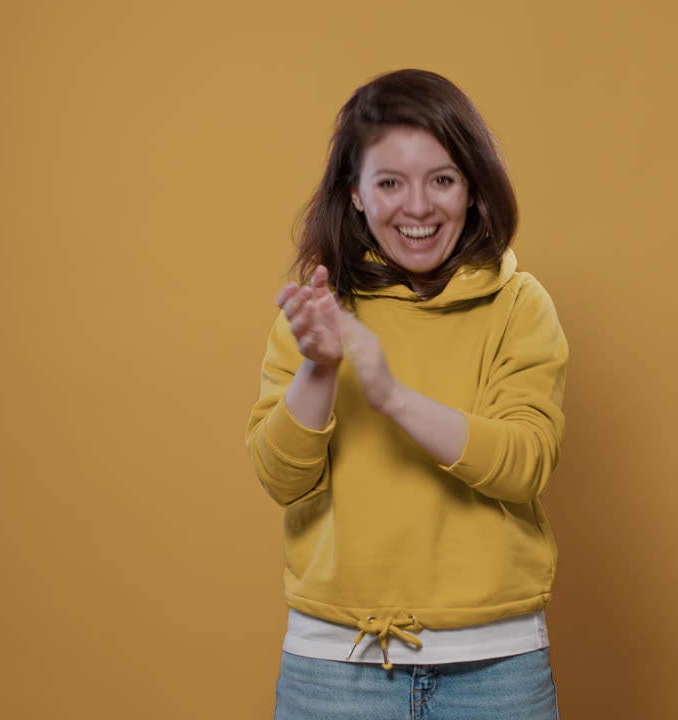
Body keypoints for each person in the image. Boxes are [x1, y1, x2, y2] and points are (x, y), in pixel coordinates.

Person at [246, 69, 567, 719]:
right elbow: (281, 479)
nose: (417, 207)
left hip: (495, 669)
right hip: (333, 672)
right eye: (390, 182)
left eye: (441, 179)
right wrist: (318, 369)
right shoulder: (317, 313)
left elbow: (526, 462)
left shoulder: (518, 304)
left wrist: (388, 394)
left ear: (472, 189)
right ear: (357, 195)